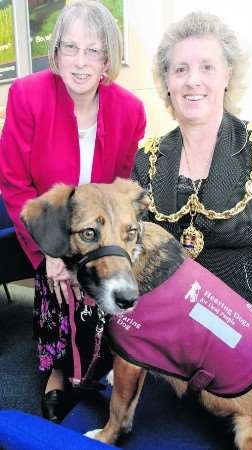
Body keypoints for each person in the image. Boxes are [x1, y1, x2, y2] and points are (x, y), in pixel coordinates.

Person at [0, 0, 146, 423]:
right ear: (57, 52)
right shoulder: (27, 96)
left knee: (104, 287)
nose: (80, 62)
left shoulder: (130, 110)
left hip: (97, 234)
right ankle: (58, 371)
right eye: (71, 48)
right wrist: (49, 253)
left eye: (93, 50)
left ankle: (100, 367)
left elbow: (120, 192)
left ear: (107, 59)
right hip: (50, 227)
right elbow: (14, 183)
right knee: (56, 287)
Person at [132, 11, 252, 330]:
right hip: (171, 325)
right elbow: (139, 249)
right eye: (180, 69)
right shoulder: (146, 157)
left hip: (249, 328)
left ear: (227, 75)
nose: (193, 80)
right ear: (167, 81)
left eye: (207, 66)